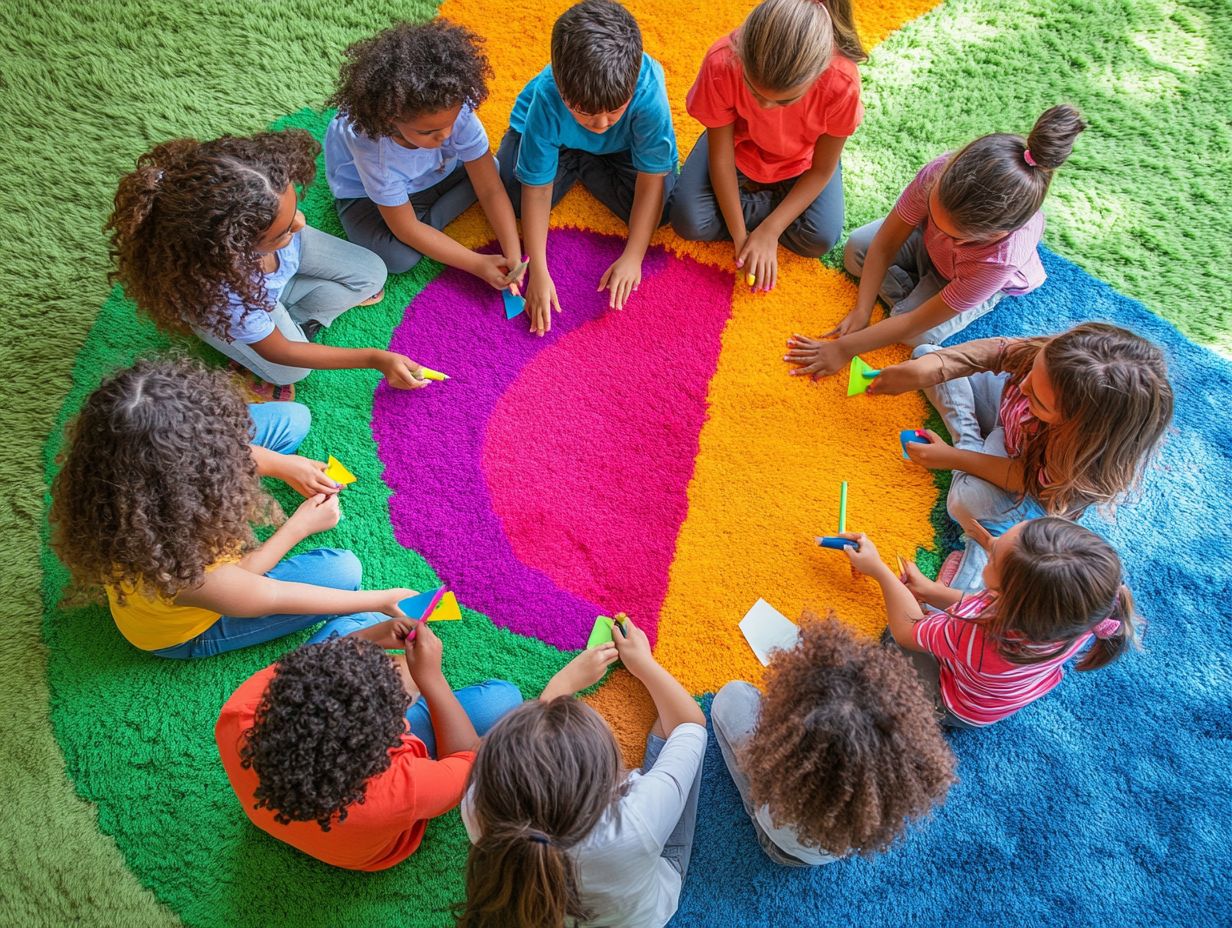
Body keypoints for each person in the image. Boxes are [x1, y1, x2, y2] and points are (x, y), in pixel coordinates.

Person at [49, 357, 413, 658]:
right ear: (198, 478)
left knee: (293, 418)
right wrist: (301, 528)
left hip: (180, 516)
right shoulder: (178, 566)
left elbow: (205, 451)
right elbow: (264, 593)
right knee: (341, 572)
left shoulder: (107, 479)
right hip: (189, 630)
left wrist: (282, 464)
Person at [107, 131, 427, 399]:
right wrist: (373, 358)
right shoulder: (223, 292)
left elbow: (288, 229)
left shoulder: (261, 212)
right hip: (244, 304)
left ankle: (287, 315)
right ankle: (269, 330)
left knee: (373, 272)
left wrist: (282, 236)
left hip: (263, 291)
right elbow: (281, 351)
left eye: (293, 212)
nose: (301, 223)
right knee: (293, 369)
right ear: (235, 246)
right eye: (285, 229)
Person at [786, 105, 1087, 376]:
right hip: (927, 247)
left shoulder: (1000, 258)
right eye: (934, 215)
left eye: (955, 234)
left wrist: (845, 348)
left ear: (995, 235)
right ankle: (915, 294)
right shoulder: (938, 174)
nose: (942, 231)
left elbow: (912, 324)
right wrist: (862, 311)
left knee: (911, 332)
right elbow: (885, 242)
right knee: (857, 250)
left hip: (959, 278)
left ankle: (921, 298)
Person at [870, 323, 1173, 589]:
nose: (1023, 383)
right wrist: (931, 369)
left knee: (966, 503)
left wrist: (953, 457)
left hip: (1023, 482)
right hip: (1005, 423)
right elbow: (997, 354)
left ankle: (970, 442)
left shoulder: (1077, 464)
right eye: (1031, 371)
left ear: (1074, 428)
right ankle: (975, 440)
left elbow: (1021, 477)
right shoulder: (1054, 367)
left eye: (1038, 398)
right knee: (926, 356)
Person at [458, 616, 706, 928]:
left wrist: (559, 688)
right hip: (647, 905)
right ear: (611, 780)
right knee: (670, 731)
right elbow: (690, 725)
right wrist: (644, 665)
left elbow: (524, 757)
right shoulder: (635, 821)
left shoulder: (478, 803)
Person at [216, 617, 523, 869]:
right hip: (372, 850)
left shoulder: (241, 711)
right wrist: (432, 679)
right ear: (391, 733)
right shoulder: (401, 787)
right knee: (503, 699)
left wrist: (374, 635)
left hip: (279, 816)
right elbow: (464, 761)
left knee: (364, 623)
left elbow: (312, 661)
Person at [843, 518, 1140, 728]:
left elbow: (907, 632)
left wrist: (879, 571)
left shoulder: (976, 632)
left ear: (1006, 600)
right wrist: (931, 591)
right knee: (941, 608)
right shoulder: (1082, 611)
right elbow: (978, 605)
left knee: (892, 642)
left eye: (992, 558)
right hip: (1003, 691)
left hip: (955, 704)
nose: (992, 541)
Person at [712, 616, 956, 866]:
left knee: (731, 695)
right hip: (830, 846)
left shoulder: (784, 767)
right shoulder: (897, 777)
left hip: (779, 845)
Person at [496, 0, 678, 334]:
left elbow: (653, 178)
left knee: (663, 209)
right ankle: (576, 159)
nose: (600, 123)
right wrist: (538, 268)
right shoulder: (548, 97)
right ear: (562, 90)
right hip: (556, 141)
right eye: (583, 112)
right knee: (511, 196)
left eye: (615, 110)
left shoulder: (648, 91)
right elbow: (535, 192)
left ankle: (581, 162)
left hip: (620, 149)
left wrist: (633, 256)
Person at [671, 0, 865, 289]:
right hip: (735, 148)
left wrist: (769, 231)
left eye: (784, 100)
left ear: (817, 75)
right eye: (753, 90)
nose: (765, 106)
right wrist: (740, 236)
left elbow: (822, 168)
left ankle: (764, 213)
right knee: (687, 220)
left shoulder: (841, 82)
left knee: (819, 238)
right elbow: (721, 157)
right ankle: (771, 210)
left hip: (804, 161)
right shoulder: (723, 60)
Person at [325, 20, 524, 282]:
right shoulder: (375, 152)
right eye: (428, 133)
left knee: (491, 170)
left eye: (449, 124)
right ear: (390, 120)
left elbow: (490, 188)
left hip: (433, 174)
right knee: (399, 257)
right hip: (365, 194)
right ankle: (428, 228)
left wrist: (514, 256)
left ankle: (427, 228)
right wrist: (476, 263)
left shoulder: (454, 109)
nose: (445, 136)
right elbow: (405, 228)